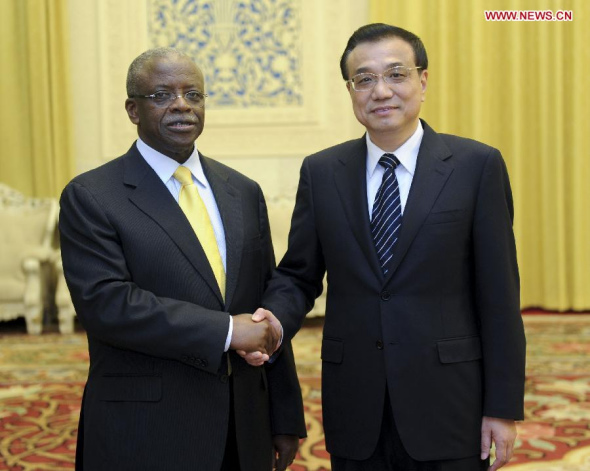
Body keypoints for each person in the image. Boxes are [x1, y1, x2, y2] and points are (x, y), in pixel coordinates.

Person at [254, 23, 526, 471]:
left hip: (450, 401)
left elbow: (499, 296)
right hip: (356, 402)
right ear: (350, 90)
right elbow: (299, 274)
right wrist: (272, 321)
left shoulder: (476, 166)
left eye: (396, 75)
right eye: (364, 79)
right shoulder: (322, 172)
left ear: (423, 81)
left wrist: (502, 407)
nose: (380, 91)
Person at [59, 47, 305, 471]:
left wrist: (284, 416)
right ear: (132, 110)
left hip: (241, 425)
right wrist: (227, 332)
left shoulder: (243, 191)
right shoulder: (92, 196)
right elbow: (108, 306)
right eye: (161, 95)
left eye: (193, 94)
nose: (181, 105)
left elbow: (265, 305)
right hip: (146, 428)